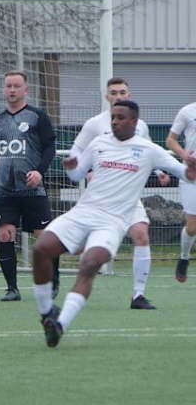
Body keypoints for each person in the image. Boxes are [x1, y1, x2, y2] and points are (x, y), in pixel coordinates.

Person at [33, 100, 196, 348]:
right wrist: (73, 168)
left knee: (89, 263)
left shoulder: (148, 149)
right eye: (113, 117)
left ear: (134, 122)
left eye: (120, 118)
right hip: (82, 213)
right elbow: (77, 176)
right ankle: (47, 313)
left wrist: (190, 172)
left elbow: (180, 172)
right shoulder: (99, 143)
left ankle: (60, 325)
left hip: (111, 223)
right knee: (41, 249)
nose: (115, 122)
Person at [70, 77, 169, 309]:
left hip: (128, 197)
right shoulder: (95, 124)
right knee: (82, 246)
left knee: (141, 235)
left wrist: (159, 171)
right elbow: (77, 149)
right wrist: (86, 173)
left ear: (129, 94)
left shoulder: (139, 125)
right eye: (113, 92)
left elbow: (149, 151)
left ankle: (138, 295)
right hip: (101, 197)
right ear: (107, 97)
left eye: (122, 92)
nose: (118, 96)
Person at [0, 71, 58, 301]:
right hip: (5, 191)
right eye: (8, 86)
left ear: (26, 90)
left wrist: (39, 172)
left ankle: (53, 280)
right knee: (5, 235)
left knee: (44, 238)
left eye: (16, 86)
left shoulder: (37, 116)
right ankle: (12, 288)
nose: (12, 90)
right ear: (3, 90)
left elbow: (49, 147)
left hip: (32, 189)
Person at [166, 101, 196, 283]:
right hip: (191, 174)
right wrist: (184, 155)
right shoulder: (187, 111)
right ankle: (184, 257)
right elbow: (171, 140)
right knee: (192, 226)